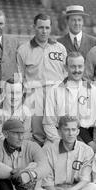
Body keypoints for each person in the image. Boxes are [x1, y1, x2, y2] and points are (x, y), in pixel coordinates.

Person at [30, 116, 96, 190]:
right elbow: (47, 182)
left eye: (73, 130)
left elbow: (85, 180)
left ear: (78, 132)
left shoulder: (86, 150)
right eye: (66, 130)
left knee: (93, 188)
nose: (70, 133)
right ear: (59, 132)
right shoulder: (48, 149)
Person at [17, 13, 67, 145]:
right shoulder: (23, 49)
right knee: (37, 133)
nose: (44, 31)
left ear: (51, 28)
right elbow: (19, 77)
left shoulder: (60, 48)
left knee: (57, 129)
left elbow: (66, 74)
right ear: (34, 27)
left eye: (47, 27)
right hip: (34, 94)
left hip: (56, 93)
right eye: (41, 27)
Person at [43, 52, 96, 151]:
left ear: (84, 67)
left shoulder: (94, 92)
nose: (77, 70)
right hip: (57, 138)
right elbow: (48, 124)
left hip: (85, 141)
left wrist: (94, 145)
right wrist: (62, 143)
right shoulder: (54, 90)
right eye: (73, 67)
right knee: (44, 157)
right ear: (66, 68)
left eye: (80, 66)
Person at [0, 77, 32, 144]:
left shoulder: (26, 112)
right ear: (4, 93)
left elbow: (26, 136)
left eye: (17, 93)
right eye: (10, 93)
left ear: (22, 93)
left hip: (19, 147)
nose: (14, 96)